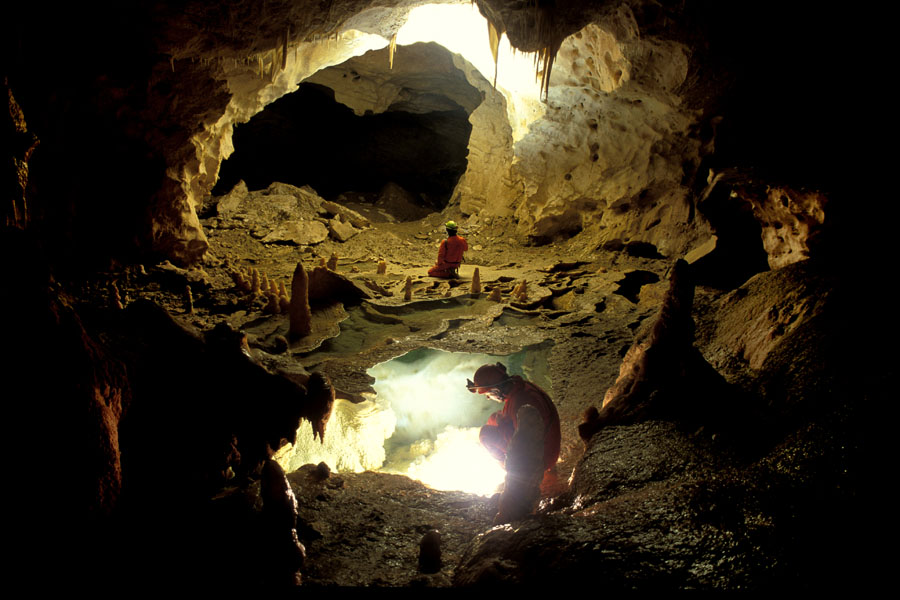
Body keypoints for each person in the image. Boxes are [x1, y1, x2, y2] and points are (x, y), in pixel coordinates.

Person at [467, 362, 561, 472]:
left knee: (486, 434)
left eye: (488, 394)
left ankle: (512, 469)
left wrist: (502, 425)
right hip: (547, 447)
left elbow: (524, 443)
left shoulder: (521, 402)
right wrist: (501, 421)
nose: (488, 397)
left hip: (540, 460)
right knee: (494, 418)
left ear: (495, 390)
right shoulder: (521, 388)